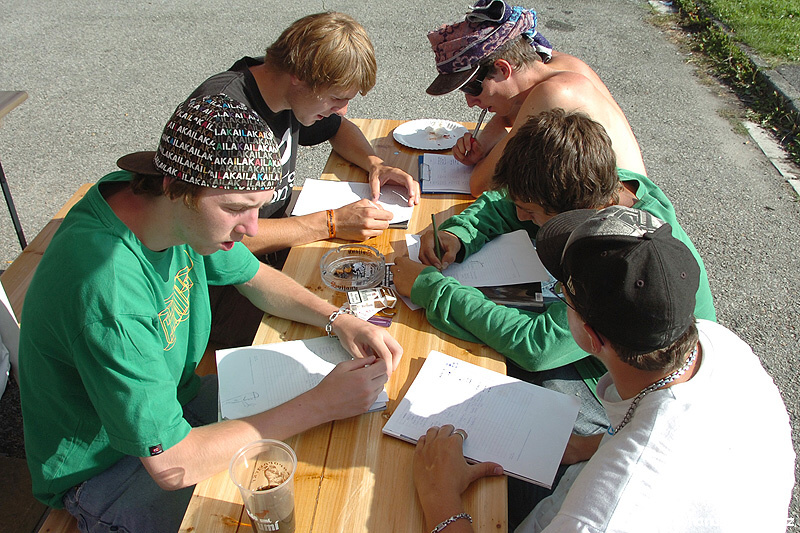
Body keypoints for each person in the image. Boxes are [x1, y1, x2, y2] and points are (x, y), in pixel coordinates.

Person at [18, 95, 403, 533]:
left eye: (257, 206)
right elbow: (173, 464)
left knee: (336, 450)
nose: (253, 227)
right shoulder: (109, 292)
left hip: (175, 402)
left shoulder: (165, 209)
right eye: (236, 208)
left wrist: (339, 320)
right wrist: (321, 404)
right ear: (174, 188)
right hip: (105, 467)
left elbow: (253, 276)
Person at [412, 206, 795, 533]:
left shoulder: (604, 515)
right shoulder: (720, 343)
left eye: (561, 294)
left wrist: (440, 498)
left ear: (590, 336)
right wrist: (589, 445)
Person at [392, 109, 715, 434]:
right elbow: (502, 204)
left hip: (625, 391)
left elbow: (537, 348)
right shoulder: (595, 180)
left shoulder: (617, 260)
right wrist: (460, 233)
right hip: (600, 351)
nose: (520, 216)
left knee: (500, 394)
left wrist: (431, 290)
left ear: (573, 214)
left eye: (531, 213)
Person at [190, 11, 420, 348]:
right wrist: (330, 223)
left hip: (270, 256)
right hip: (218, 291)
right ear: (299, 75)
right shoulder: (225, 119)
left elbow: (338, 128)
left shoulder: (284, 92)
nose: (343, 109)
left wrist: (375, 164)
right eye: (337, 98)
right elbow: (219, 238)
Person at [425, 0, 646, 196]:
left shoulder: (554, 94)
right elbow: (509, 116)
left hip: (628, 215)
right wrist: (481, 148)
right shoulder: (551, 65)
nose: (470, 102)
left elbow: (481, 184)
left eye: (472, 88)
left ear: (503, 69)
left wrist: (483, 160)